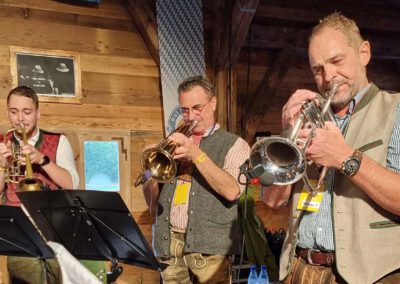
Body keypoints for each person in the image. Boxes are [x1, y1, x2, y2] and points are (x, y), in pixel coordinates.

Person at [261, 12, 400, 284]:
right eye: (318, 69)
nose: (328, 76)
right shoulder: (310, 118)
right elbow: (272, 200)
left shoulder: (395, 110)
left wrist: (346, 157)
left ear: (364, 53)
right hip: (299, 269)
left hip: (371, 276)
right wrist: (286, 138)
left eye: (337, 61)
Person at [141, 76, 250, 283]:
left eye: (197, 108)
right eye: (184, 110)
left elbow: (232, 191)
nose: (190, 116)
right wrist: (149, 174)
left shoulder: (235, 144)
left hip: (209, 250)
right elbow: (154, 207)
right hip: (169, 245)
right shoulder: (172, 143)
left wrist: (195, 153)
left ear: (213, 103)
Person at [0, 86, 105, 283]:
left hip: (57, 227)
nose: (20, 119)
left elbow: (72, 183)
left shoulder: (58, 141)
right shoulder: (2, 143)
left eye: (27, 112)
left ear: (38, 113)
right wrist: (2, 167)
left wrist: (42, 160)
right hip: (20, 232)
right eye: (14, 112)